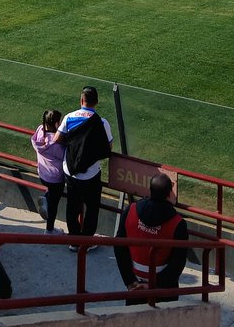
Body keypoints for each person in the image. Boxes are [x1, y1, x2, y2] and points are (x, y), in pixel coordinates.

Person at [114, 172, 187, 303]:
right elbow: (178, 262)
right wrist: (154, 286)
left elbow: (119, 248)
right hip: (164, 290)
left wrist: (130, 281)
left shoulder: (130, 210)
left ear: (150, 190)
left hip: (135, 288)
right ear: (169, 193)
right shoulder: (178, 224)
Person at [56, 86, 113, 248]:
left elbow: (57, 139)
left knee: (72, 205)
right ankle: (87, 241)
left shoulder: (69, 117)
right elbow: (109, 147)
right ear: (97, 102)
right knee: (93, 207)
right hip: (91, 173)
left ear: (81, 100)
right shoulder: (102, 122)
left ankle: (74, 241)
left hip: (70, 171)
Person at [31, 109, 65, 234]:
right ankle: (49, 230)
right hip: (56, 178)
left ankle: (46, 198)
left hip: (43, 174)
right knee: (54, 204)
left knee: (51, 194)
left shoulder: (40, 130)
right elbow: (64, 156)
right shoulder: (56, 143)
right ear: (56, 124)